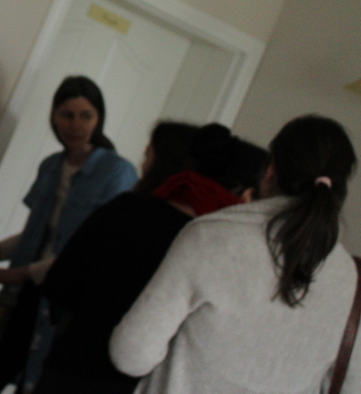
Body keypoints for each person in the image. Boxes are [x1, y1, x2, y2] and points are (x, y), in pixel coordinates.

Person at [110, 115, 360, 393]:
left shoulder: (211, 236)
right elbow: (352, 385)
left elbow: (131, 355)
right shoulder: (351, 278)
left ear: (271, 170)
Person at [34, 122, 268, 394]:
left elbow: (60, 285)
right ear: (247, 195)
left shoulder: (127, 208)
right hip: (140, 383)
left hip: (70, 366)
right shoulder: (219, 247)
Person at [0, 75, 138, 394]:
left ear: (99, 119)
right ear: (54, 117)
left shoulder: (118, 172)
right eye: (67, 115)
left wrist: (17, 274)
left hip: (64, 301)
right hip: (24, 295)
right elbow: (37, 233)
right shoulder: (50, 165)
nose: (75, 125)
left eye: (85, 115)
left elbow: (93, 249)